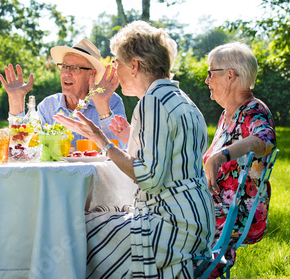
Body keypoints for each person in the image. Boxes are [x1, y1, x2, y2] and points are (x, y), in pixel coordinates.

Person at [53, 21, 215, 278]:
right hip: (196, 221)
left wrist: (101, 140)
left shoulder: (153, 101)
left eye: (117, 62)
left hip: (171, 228)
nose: (114, 70)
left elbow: (148, 178)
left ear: (135, 65)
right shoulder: (179, 98)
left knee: (75, 229)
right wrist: (127, 137)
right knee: (97, 216)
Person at [202, 42, 276, 277]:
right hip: (218, 209)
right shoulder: (227, 114)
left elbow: (265, 140)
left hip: (235, 214)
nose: (206, 80)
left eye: (210, 73)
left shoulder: (253, 110)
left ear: (230, 76)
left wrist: (220, 156)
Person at [0, 39, 127, 147]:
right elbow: (21, 146)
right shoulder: (48, 106)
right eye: (64, 66)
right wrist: (16, 100)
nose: (66, 73)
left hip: (97, 176)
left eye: (75, 68)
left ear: (91, 74)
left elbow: (122, 149)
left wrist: (102, 106)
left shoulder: (111, 101)